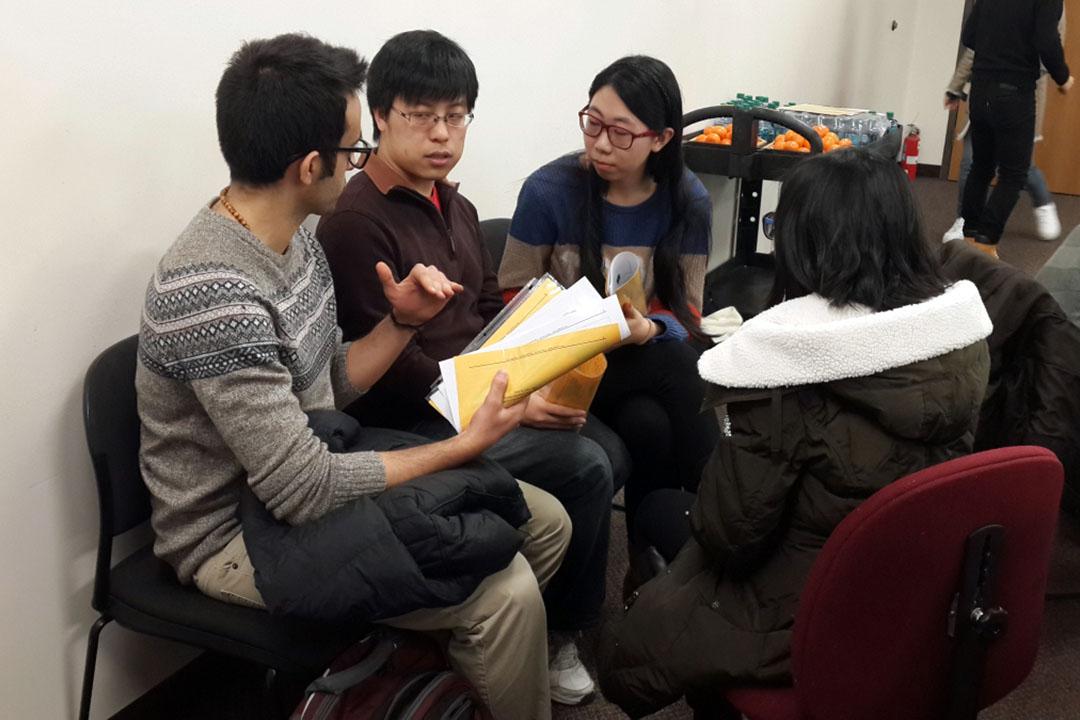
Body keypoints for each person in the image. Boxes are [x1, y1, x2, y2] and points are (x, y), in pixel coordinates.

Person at [136, 34, 571, 720]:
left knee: (544, 521)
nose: (361, 161)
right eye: (351, 150)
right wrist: (460, 445)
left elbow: (324, 387)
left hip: (311, 472)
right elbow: (302, 487)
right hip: (232, 532)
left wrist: (400, 323)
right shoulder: (215, 291)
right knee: (505, 592)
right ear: (310, 166)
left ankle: (426, 689)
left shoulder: (294, 236)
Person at [596, 149, 993, 716]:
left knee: (663, 507)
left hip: (806, 607)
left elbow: (730, 537)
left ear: (805, 242)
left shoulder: (786, 371)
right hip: (914, 586)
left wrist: (733, 436)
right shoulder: (958, 336)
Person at [316, 30, 626, 706]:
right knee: (588, 465)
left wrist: (531, 372)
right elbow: (395, 370)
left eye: (456, 116)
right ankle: (557, 635)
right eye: (421, 116)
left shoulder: (452, 204)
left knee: (605, 443)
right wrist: (504, 400)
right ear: (379, 117)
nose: (442, 134)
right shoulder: (353, 220)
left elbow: (489, 309)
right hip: (408, 420)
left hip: (475, 391)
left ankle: (518, 615)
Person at [497, 55, 718, 535]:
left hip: (635, 363)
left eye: (621, 131)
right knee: (677, 368)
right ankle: (720, 511)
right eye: (592, 123)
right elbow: (512, 295)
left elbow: (690, 313)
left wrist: (649, 328)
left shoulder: (688, 201)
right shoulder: (548, 190)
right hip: (557, 367)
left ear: (661, 139)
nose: (600, 143)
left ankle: (649, 563)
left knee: (649, 424)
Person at [956, 0, 1072, 259]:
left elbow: (969, 36)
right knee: (1014, 174)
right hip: (1013, 93)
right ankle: (985, 243)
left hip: (981, 90)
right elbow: (1047, 41)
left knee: (981, 167)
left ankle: (969, 238)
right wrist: (1063, 77)